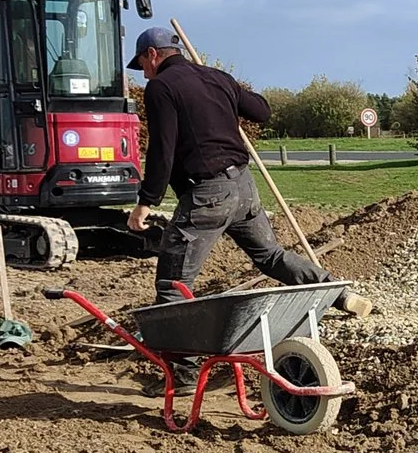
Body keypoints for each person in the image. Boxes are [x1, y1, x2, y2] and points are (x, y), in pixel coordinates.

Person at [126, 22, 331, 303]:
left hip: (209, 195)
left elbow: (163, 149)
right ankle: (337, 291)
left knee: (172, 283)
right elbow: (261, 110)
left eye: (142, 65)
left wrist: (146, 202)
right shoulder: (217, 77)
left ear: (152, 54)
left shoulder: (161, 87)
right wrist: (226, 90)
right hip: (244, 187)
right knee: (271, 256)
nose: (145, 75)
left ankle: (175, 346)